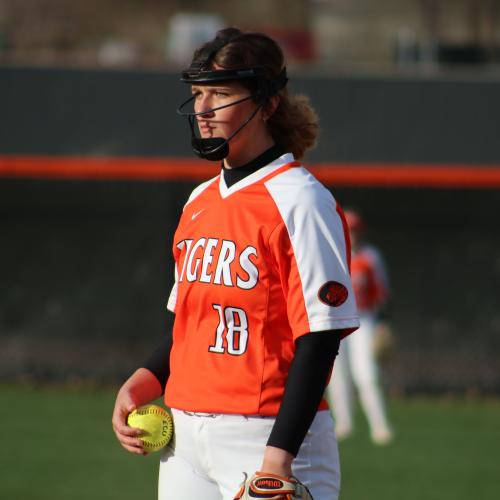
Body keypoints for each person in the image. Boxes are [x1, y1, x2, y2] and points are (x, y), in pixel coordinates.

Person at [112, 27, 359, 500]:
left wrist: (278, 456)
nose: (203, 110)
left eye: (221, 94)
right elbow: (189, 324)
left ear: (267, 104)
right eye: (198, 94)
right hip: (184, 438)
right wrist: (144, 380)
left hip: (267, 436)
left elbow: (320, 338)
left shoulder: (301, 200)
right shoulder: (199, 201)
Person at [325, 209, 394, 445]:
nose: (351, 235)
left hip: (364, 319)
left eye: (354, 230)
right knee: (336, 375)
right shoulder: (331, 254)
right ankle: (343, 424)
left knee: (366, 374)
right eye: (347, 230)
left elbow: (382, 292)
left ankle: (379, 425)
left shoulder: (370, 257)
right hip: (335, 320)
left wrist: (384, 323)